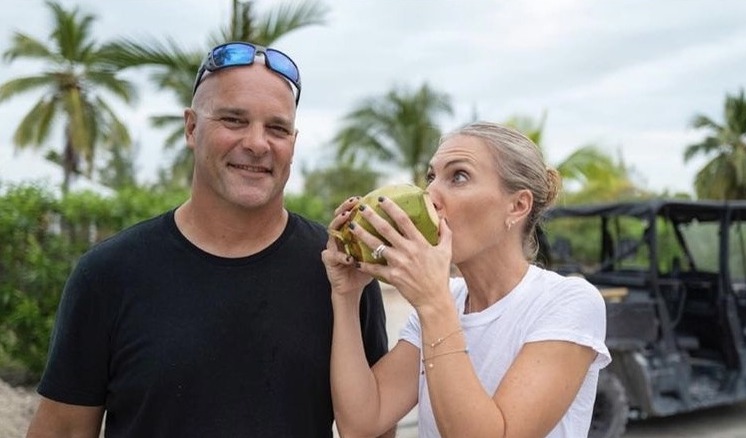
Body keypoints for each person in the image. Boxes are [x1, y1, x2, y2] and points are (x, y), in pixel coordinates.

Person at [26, 41, 390, 437]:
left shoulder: (341, 274)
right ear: (191, 128)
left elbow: (374, 430)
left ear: (293, 144)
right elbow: (61, 431)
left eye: (277, 128)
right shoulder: (109, 275)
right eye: (233, 120)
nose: (256, 142)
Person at [323, 121, 611, 437]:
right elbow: (361, 422)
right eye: (431, 177)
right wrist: (347, 296)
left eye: (458, 176)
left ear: (517, 205)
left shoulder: (568, 302)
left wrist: (433, 305)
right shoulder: (446, 299)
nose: (428, 195)